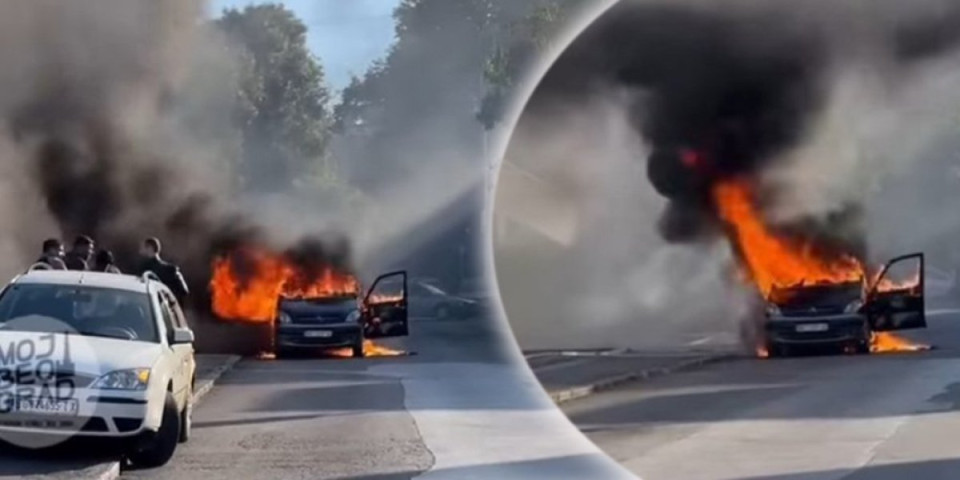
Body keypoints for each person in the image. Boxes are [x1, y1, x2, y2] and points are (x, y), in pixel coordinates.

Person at [136, 237, 189, 304]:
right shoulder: (171, 269)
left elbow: (183, 291)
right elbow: (184, 291)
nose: (140, 250)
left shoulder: (143, 270)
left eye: (143, 247)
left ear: (150, 248)